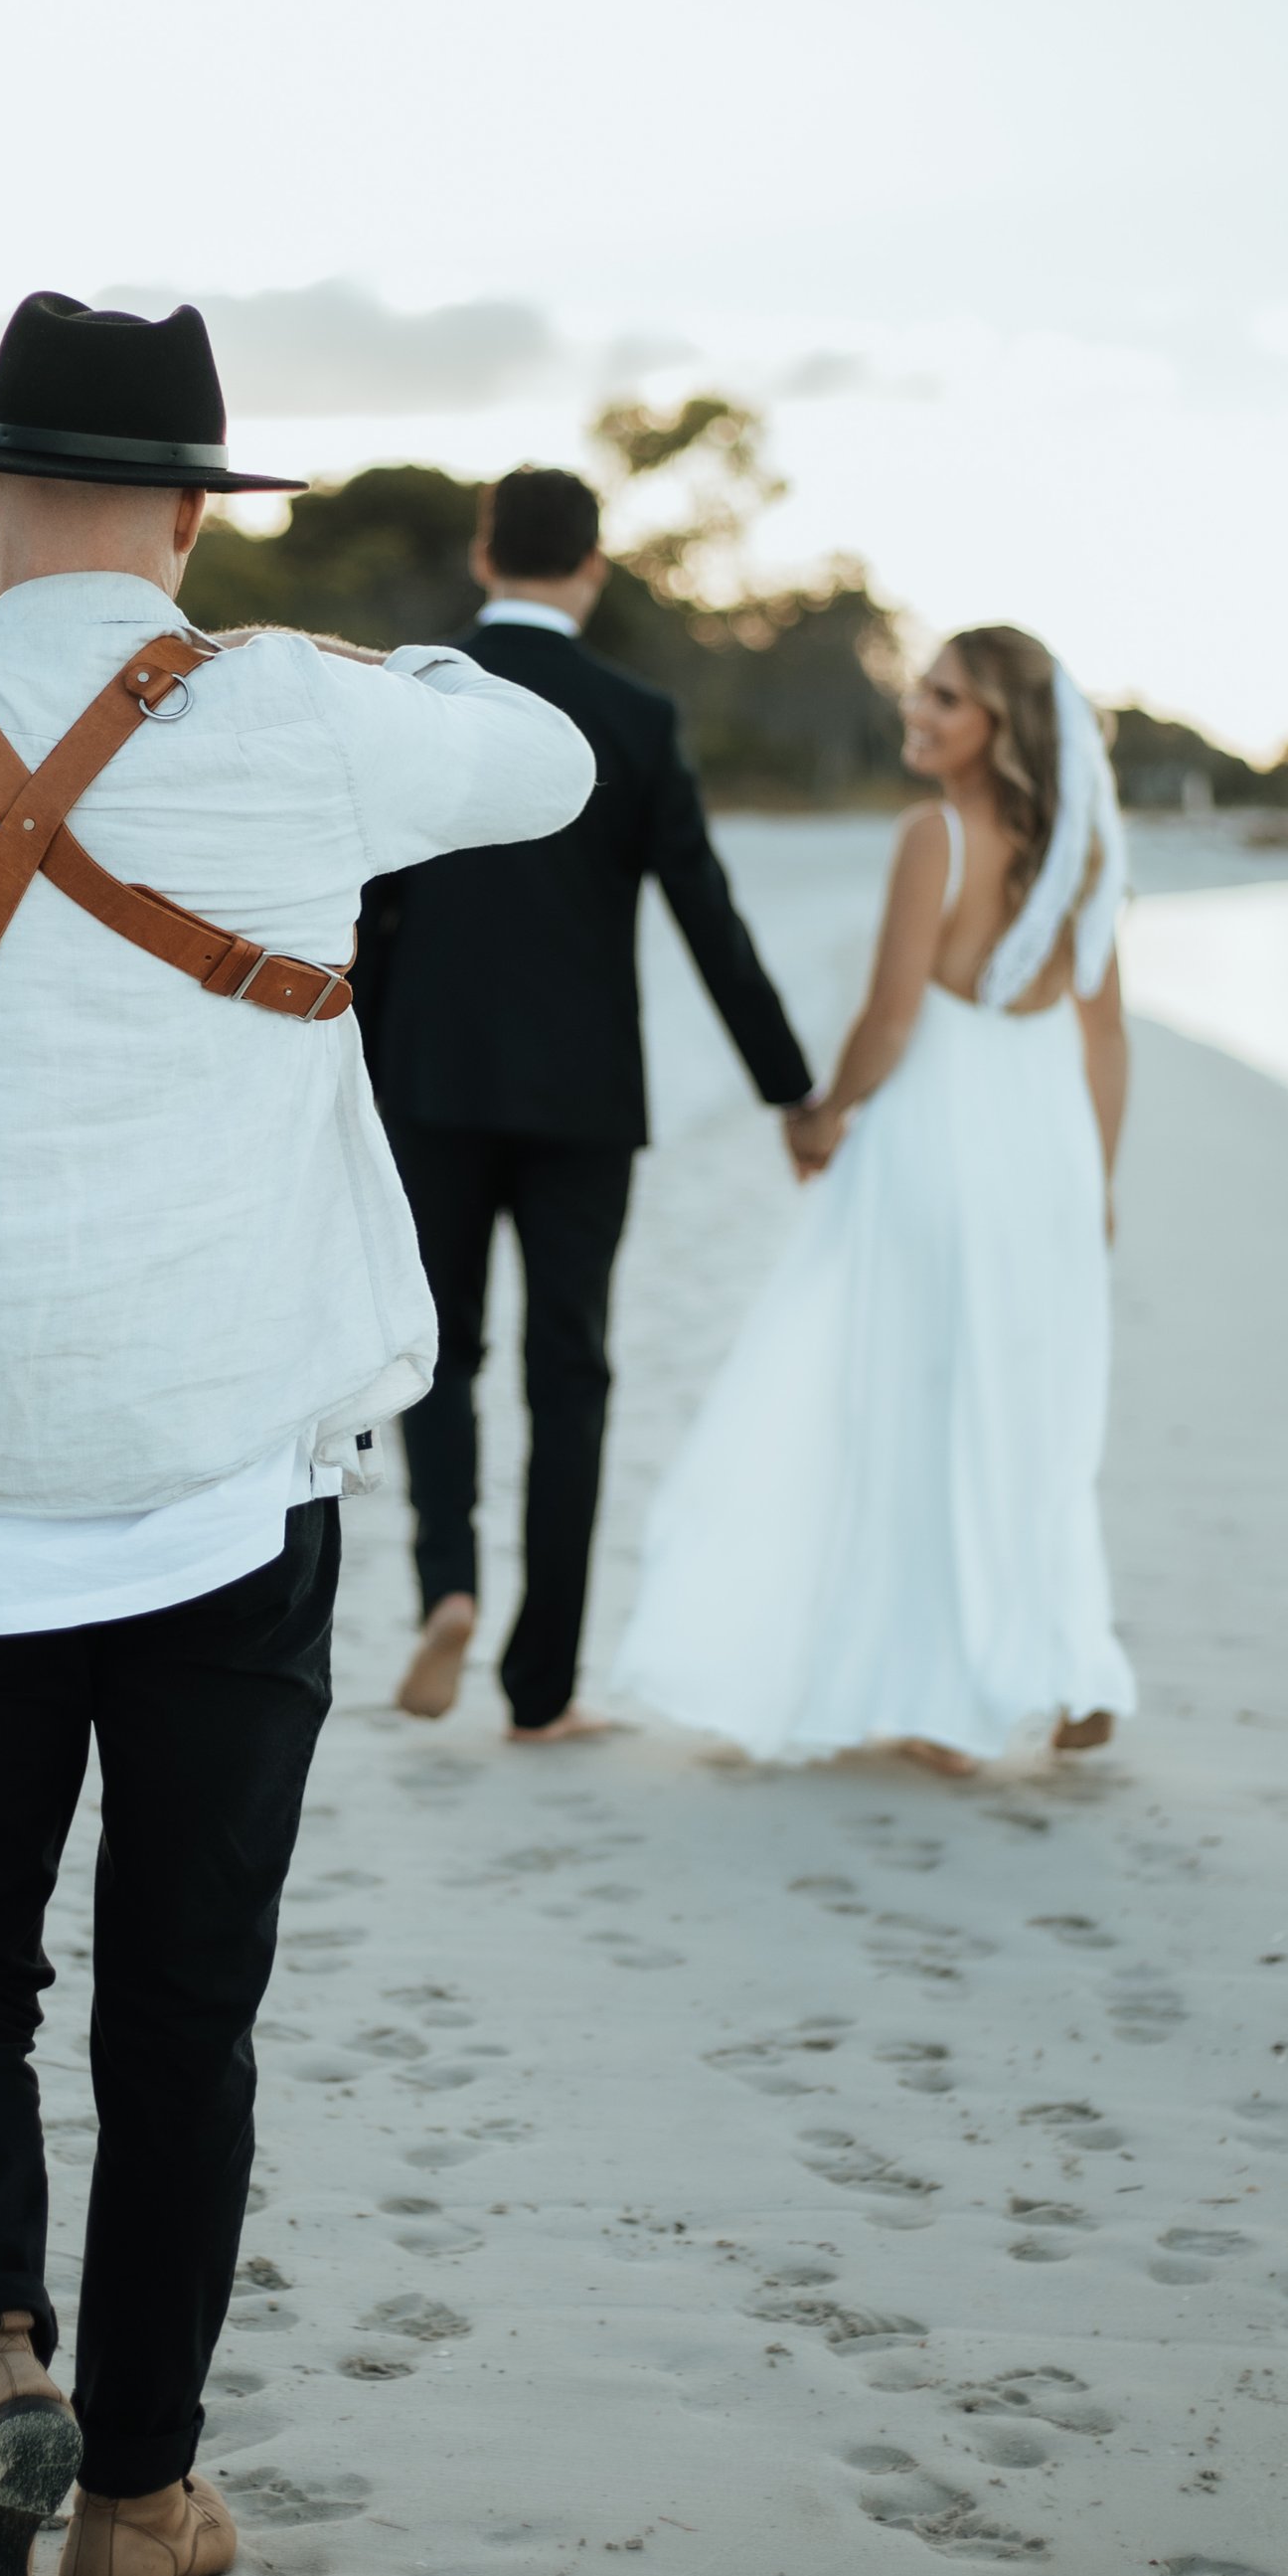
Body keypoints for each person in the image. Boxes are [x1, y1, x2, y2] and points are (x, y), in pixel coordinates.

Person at [0, 294, 592, 2576]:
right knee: (180, 2013)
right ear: (200, 513)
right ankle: (134, 2503)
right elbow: (534, 753)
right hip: (224, 1488)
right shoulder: (303, 720)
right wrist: (335, 656)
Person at [613, 625, 1135, 1773]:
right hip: (1042, 1157)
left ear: (1000, 726)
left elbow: (891, 1020)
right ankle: (1060, 1656)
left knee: (918, 1406)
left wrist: (823, 1111)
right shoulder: (1080, 854)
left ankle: (950, 1688)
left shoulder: (934, 837)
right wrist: (1094, 1182)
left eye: (947, 698)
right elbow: (1103, 1041)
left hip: (937, 1153)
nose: (919, 708)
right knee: (1025, 1416)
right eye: (924, 689)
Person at [352, 466, 815, 1742]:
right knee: (573, 1374)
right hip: (582, 1096)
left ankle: (447, 1583)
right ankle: (540, 1688)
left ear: (483, 555)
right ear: (593, 571)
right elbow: (705, 919)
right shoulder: (637, 714)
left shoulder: (412, 697)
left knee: (437, 1352)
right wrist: (790, 1087)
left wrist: (348, 1067)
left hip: (429, 1081)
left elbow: (359, 905)